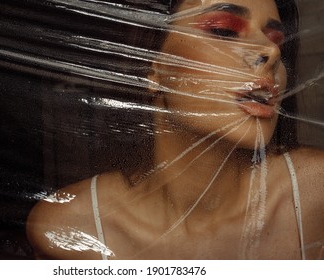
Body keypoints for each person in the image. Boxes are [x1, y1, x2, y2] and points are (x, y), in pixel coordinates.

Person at [26, 0, 324, 259]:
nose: (269, 52)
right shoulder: (69, 228)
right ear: (152, 68)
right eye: (224, 31)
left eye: (277, 41)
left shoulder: (315, 194)